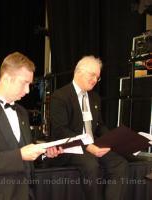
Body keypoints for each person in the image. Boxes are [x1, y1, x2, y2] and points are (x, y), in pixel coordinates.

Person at [0, 52, 63, 200]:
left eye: (29, 84)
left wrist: (43, 153)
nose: (28, 90)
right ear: (7, 79)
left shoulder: (22, 112)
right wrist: (20, 155)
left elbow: (24, 151)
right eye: (24, 83)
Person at [49, 55, 128, 200]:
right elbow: (61, 130)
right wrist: (87, 145)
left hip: (93, 145)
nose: (95, 80)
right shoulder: (60, 96)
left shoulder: (95, 98)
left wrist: (111, 140)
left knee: (119, 163)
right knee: (91, 164)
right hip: (70, 147)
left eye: (97, 77)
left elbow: (99, 126)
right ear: (78, 72)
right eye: (92, 75)